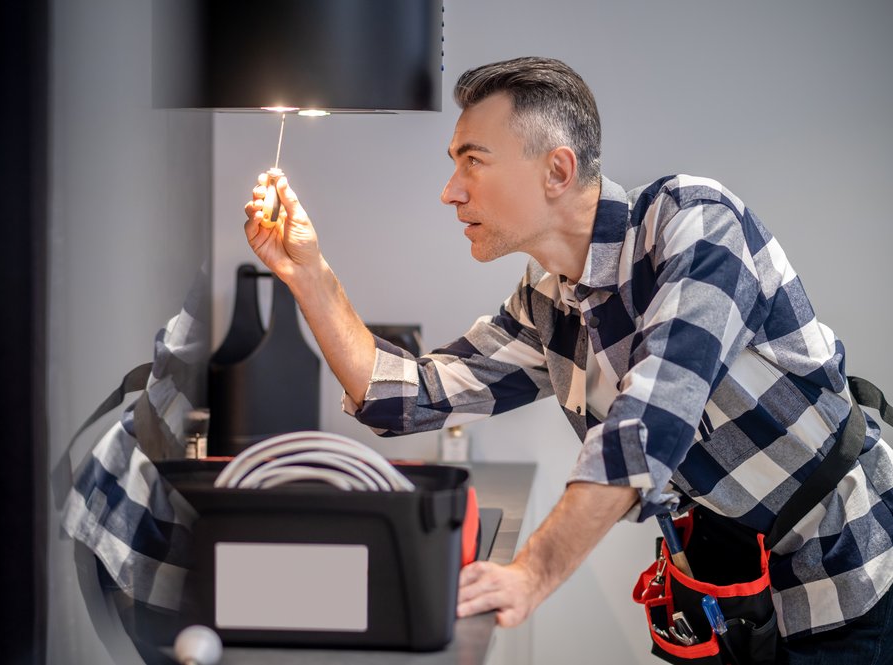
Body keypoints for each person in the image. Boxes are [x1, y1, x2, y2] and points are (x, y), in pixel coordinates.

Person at [242, 56, 893, 662]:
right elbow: (400, 395)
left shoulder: (696, 221)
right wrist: (309, 275)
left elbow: (648, 424)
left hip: (852, 559)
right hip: (735, 574)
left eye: (473, 161)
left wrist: (532, 572)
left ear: (556, 169)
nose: (450, 191)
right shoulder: (548, 303)